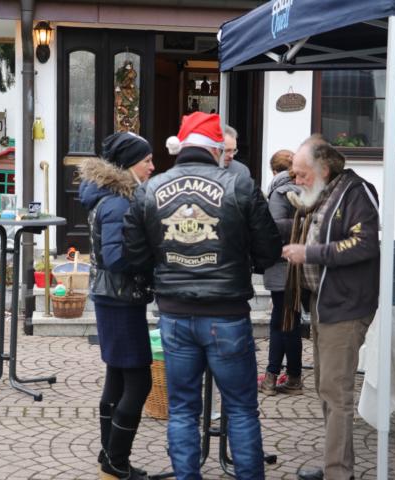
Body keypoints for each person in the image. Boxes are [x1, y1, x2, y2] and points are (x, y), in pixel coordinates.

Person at [124, 112, 281, 479]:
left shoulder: (150, 189)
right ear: (215, 149)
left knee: (182, 410)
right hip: (227, 314)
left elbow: (134, 256)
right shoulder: (240, 185)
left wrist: (164, 269)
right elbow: (269, 250)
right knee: (241, 409)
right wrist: (242, 260)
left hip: (175, 314)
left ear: (182, 147)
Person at [281, 135, 380, 480]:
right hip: (325, 303)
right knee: (325, 387)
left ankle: (339, 472)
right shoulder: (324, 194)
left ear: (324, 169)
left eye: (301, 173)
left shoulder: (356, 193)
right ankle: (335, 466)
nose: (296, 180)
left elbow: (365, 244)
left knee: (336, 393)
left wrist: (309, 253)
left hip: (346, 307)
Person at [78, 132, 156, 480]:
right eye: (147, 160)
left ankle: (109, 454)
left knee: (118, 377)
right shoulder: (119, 202)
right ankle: (116, 461)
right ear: (127, 164)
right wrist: (152, 257)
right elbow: (116, 258)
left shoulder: (110, 196)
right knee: (138, 382)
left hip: (113, 297)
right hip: (120, 299)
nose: (152, 166)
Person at [258, 149, 304, 396]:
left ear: (274, 171)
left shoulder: (279, 192)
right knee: (291, 321)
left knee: (281, 323)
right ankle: (293, 376)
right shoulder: (306, 188)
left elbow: (275, 231)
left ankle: (273, 377)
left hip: (282, 265)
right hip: (301, 265)